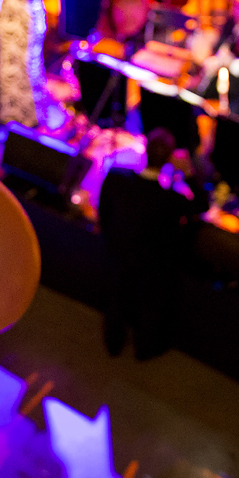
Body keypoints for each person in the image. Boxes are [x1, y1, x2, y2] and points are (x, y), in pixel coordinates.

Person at [99, 128, 208, 359]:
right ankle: (144, 350)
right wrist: (188, 174)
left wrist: (110, 240)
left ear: (144, 150)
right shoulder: (172, 200)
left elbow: (104, 212)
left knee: (117, 300)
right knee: (150, 306)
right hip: (152, 266)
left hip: (117, 254)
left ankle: (113, 344)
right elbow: (202, 206)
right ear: (169, 159)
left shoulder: (116, 177)